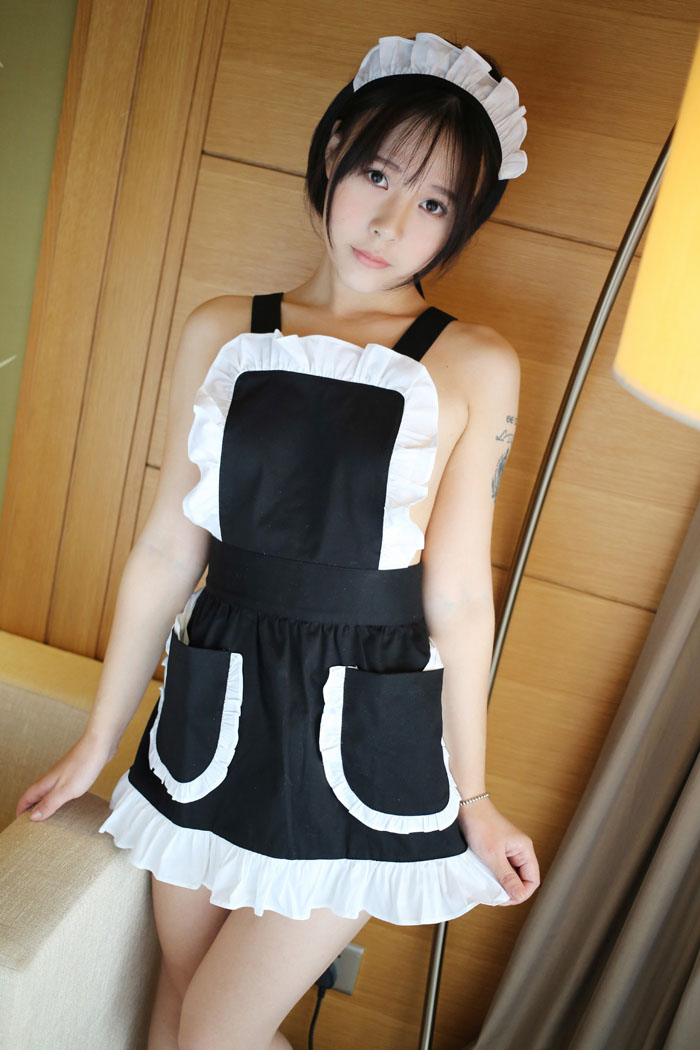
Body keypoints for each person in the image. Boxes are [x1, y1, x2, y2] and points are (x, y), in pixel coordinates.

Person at [16, 31, 540, 1050]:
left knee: (214, 1030)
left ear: (461, 224)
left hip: (365, 719)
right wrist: (97, 740)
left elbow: (458, 596)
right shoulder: (224, 329)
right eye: (377, 174)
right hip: (215, 696)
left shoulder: (473, 362)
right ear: (334, 151)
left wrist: (472, 795)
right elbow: (167, 550)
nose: (390, 222)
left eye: (433, 203)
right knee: (178, 1013)